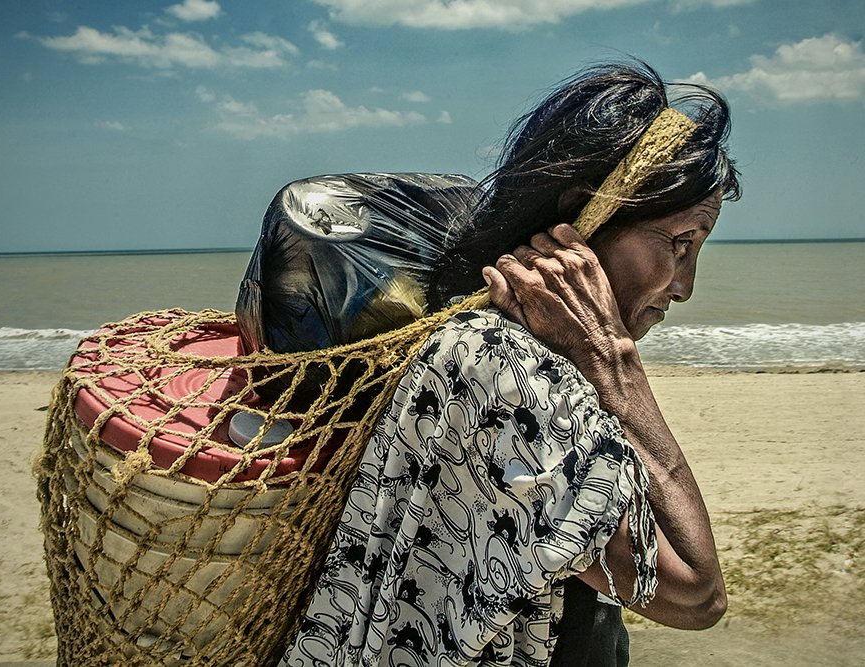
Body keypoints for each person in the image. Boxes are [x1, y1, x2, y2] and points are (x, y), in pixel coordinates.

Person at [279, 61, 741, 666]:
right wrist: (614, 364)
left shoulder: (503, 351)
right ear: (585, 220)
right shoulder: (506, 369)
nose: (684, 286)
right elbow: (695, 593)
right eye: (678, 243)